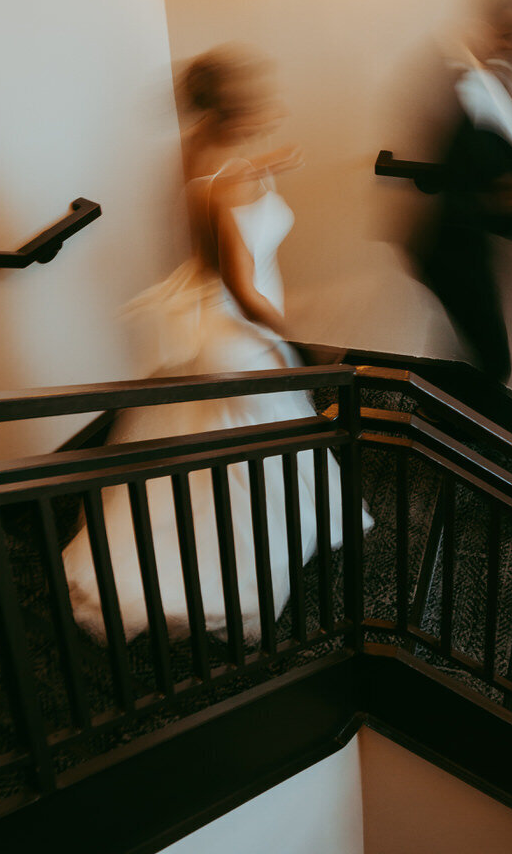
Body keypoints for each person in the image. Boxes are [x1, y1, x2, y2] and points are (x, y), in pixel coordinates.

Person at [63, 43, 372, 644]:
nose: (267, 110)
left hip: (214, 324)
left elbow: (217, 211)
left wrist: (267, 163)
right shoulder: (223, 183)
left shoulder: (199, 153)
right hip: (239, 334)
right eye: (255, 104)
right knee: (245, 462)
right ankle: (223, 578)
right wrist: (302, 333)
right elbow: (244, 289)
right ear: (233, 113)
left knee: (218, 456)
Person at [406, 0, 512, 383]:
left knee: (476, 356)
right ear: (492, 25)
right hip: (448, 243)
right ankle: (437, 436)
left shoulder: (494, 81)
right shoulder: (459, 81)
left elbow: (509, 144)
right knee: (492, 364)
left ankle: (435, 426)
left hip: (469, 243)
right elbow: (455, 171)